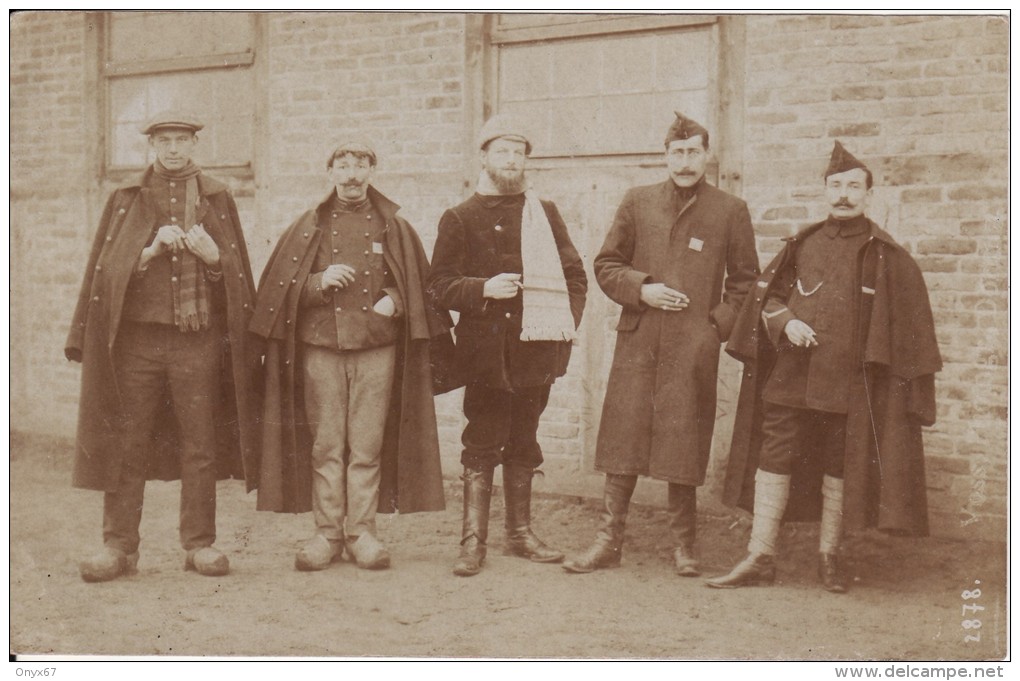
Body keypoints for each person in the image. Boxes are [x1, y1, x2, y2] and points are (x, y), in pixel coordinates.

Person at [706, 141, 941, 593]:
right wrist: (786, 321)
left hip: (848, 382)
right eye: (836, 185)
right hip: (791, 375)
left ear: (869, 194)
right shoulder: (804, 244)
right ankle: (759, 555)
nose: (844, 195)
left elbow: (904, 324)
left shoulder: (884, 254)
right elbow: (768, 298)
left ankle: (829, 555)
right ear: (824, 191)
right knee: (773, 455)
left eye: (854, 186)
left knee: (839, 462)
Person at [66, 110, 261, 582]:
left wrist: (214, 260)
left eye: (182, 140)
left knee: (201, 444)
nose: (173, 149)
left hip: (196, 342)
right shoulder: (127, 197)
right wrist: (147, 251)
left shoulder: (216, 196)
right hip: (137, 342)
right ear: (152, 146)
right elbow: (105, 272)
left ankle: (199, 545)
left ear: (194, 144)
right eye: (164, 141)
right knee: (127, 442)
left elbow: (234, 275)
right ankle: (119, 547)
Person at [563, 112, 760, 576]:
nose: (685, 161)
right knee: (624, 437)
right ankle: (608, 540)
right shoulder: (638, 201)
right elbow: (606, 263)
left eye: (694, 152)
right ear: (665, 155)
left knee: (683, 440)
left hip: (692, 345)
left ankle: (684, 546)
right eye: (677, 152)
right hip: (640, 339)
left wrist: (713, 328)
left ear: (707, 155)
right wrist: (642, 288)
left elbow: (747, 282)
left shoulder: (729, 210)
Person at [250, 142, 454, 571]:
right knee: (326, 445)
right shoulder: (308, 225)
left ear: (373, 169)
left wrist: (396, 300)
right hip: (321, 350)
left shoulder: (394, 227)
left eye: (360, 165)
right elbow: (281, 291)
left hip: (376, 349)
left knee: (366, 445)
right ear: (329, 171)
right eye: (342, 165)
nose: (351, 174)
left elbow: (422, 283)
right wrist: (318, 282)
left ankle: (362, 533)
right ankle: (326, 535)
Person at [428, 115, 587, 577]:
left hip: (537, 351)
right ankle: (472, 542)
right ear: (484, 157)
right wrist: (482, 289)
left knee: (524, 443)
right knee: (481, 443)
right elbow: (437, 286)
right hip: (486, 357)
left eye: (519, 153)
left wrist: (560, 322)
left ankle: (520, 534)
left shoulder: (545, 213)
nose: (512, 160)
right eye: (503, 151)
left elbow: (575, 277)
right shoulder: (460, 217)